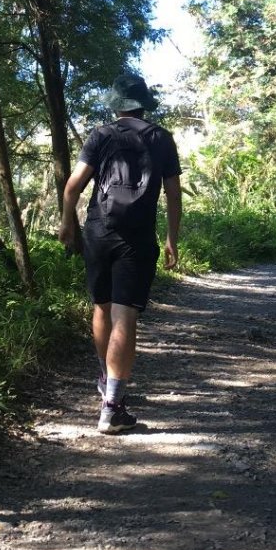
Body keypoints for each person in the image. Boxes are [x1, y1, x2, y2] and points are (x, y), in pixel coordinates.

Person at [59, 73, 182, 434]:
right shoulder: (161, 138)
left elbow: (72, 187)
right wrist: (172, 238)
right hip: (137, 237)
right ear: (144, 105)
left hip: (98, 230)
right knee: (125, 316)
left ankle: (106, 379)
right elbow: (174, 195)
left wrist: (68, 224)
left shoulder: (101, 135)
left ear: (116, 105)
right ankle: (112, 406)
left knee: (102, 306)